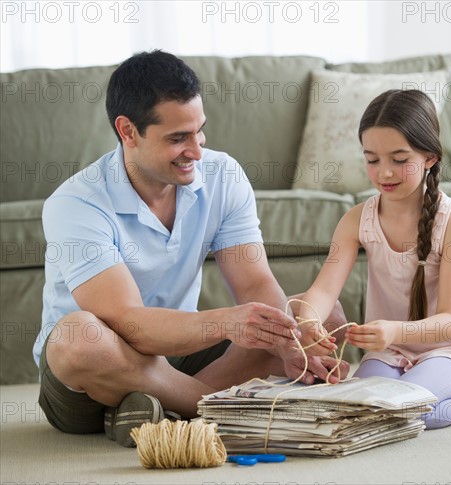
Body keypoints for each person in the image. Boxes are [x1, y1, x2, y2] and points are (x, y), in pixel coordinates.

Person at [33, 50, 348, 447]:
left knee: (320, 317)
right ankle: (204, 407)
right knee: (79, 337)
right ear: (128, 132)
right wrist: (226, 323)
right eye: (178, 138)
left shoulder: (223, 175)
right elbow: (129, 323)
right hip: (93, 372)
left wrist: (286, 341)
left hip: (181, 352)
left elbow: (254, 284)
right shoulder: (76, 203)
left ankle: (149, 410)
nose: (197, 151)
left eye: (199, 131)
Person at [298, 89, 451, 429]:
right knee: (364, 407)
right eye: (372, 159)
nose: (385, 173)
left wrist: (393, 330)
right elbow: (323, 291)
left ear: (430, 158)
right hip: (392, 350)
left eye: (400, 159)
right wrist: (309, 324)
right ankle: (427, 393)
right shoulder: (356, 220)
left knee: (405, 407)